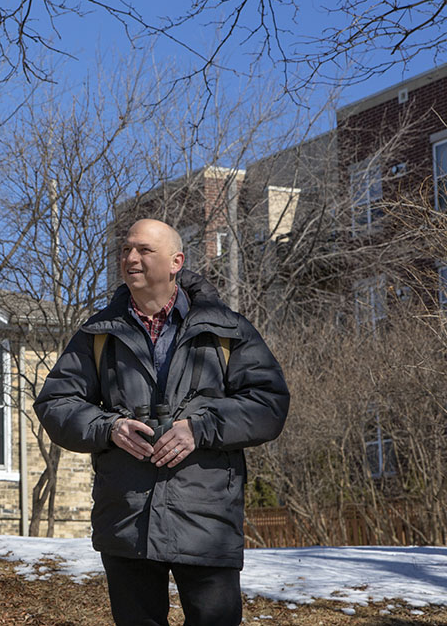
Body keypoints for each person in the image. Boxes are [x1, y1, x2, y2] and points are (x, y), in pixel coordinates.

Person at [33, 219, 289, 625]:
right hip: (127, 518)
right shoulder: (98, 333)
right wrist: (109, 427)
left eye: (144, 250)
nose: (130, 258)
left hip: (206, 520)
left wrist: (199, 428)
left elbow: (268, 405)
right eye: (126, 250)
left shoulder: (227, 330)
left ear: (176, 262)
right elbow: (56, 403)